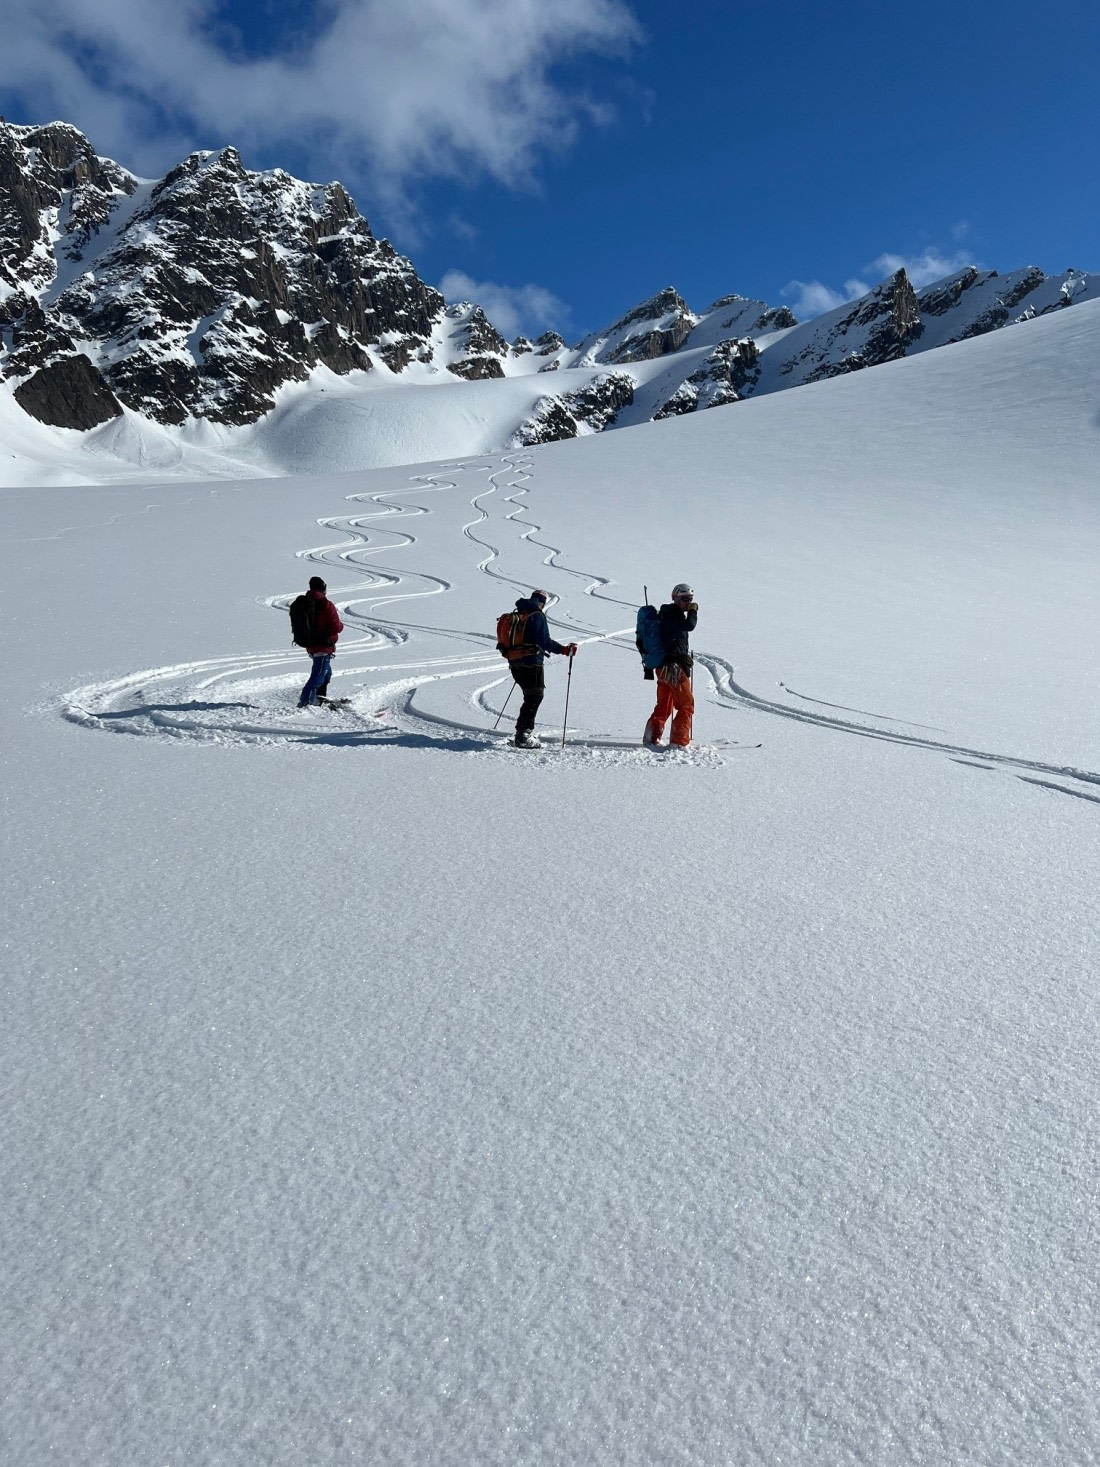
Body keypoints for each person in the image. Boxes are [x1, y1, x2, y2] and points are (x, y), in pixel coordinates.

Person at [505, 589, 577, 748]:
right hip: (532, 663)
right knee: (535, 696)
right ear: (543, 603)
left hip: (515, 662)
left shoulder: (518, 614)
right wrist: (564, 650)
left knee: (530, 696)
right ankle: (523, 735)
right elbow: (544, 640)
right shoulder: (536, 615)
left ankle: (521, 732)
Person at [643, 582, 698, 747]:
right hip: (673, 668)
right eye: (684, 599)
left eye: (690, 599)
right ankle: (679, 742)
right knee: (686, 704)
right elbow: (690, 625)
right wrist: (694, 611)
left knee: (664, 705)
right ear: (675, 598)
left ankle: (651, 737)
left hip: (664, 667)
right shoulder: (673, 614)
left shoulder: (670, 614)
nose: (688, 602)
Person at [294, 575, 344, 707]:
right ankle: (305, 702)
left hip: (310, 644)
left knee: (326, 673)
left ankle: (318, 699)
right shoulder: (326, 604)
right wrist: (341, 626)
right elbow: (336, 627)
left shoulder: (305, 603)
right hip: (323, 645)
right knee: (319, 675)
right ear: (323, 588)